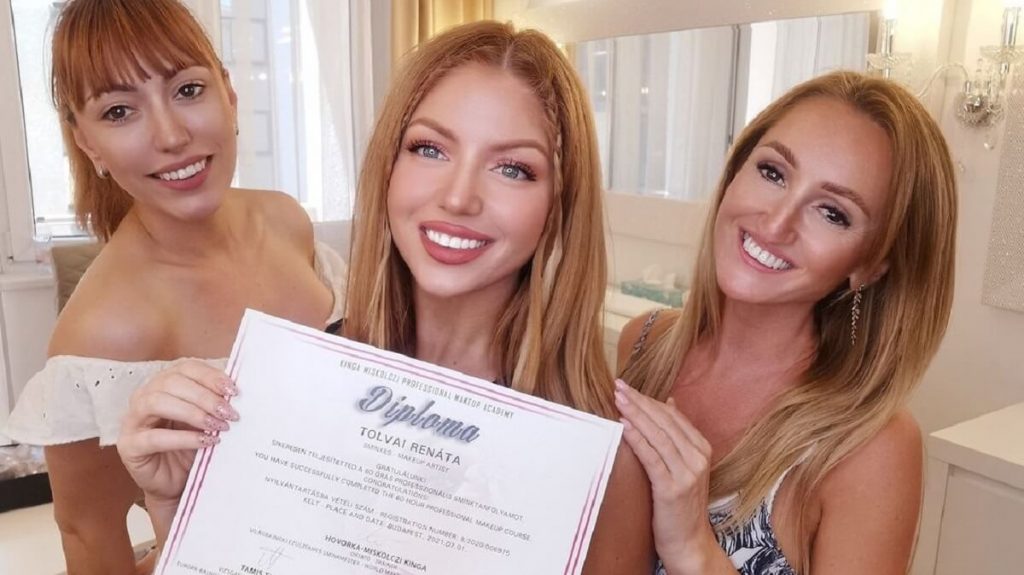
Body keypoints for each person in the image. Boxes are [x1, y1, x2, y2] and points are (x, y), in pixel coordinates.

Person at [117, 20, 655, 574]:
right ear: (388, 167)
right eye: (430, 149)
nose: (459, 197)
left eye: (513, 168)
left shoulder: (603, 467)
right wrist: (176, 510)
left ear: (559, 205)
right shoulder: (297, 390)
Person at [3, 1, 346, 573]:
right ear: (87, 143)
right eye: (119, 111)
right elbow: (91, 539)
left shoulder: (286, 220)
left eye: (188, 90)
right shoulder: (101, 334)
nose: (171, 135)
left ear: (228, 93)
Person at [615, 70, 956, 574]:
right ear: (736, 170)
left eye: (832, 213)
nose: (776, 224)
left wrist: (693, 548)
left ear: (872, 265)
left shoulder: (871, 446)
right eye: (773, 173)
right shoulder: (643, 342)